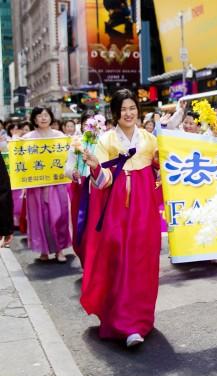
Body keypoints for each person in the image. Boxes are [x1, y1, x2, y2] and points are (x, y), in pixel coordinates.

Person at [80, 89, 161, 347]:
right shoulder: (106, 141)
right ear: (115, 113)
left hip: (144, 209)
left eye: (132, 108)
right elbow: (103, 182)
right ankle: (123, 323)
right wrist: (94, 165)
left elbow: (164, 173)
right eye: (123, 109)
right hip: (118, 209)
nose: (128, 113)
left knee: (144, 260)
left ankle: (141, 319)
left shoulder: (150, 140)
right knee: (119, 261)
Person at [23, 107, 72, 262]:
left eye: (46, 115)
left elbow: (68, 158)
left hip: (56, 183)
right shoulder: (28, 138)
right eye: (39, 115)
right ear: (34, 119)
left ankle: (59, 250)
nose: (43, 118)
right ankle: (43, 250)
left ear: (51, 117)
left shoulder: (60, 137)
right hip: (36, 185)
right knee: (39, 217)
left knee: (59, 215)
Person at [65, 110, 96, 262]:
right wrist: (73, 173)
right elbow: (67, 168)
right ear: (82, 126)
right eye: (86, 124)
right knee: (82, 222)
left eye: (93, 124)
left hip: (100, 186)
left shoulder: (104, 141)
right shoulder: (76, 144)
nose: (89, 127)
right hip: (81, 186)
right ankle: (86, 256)